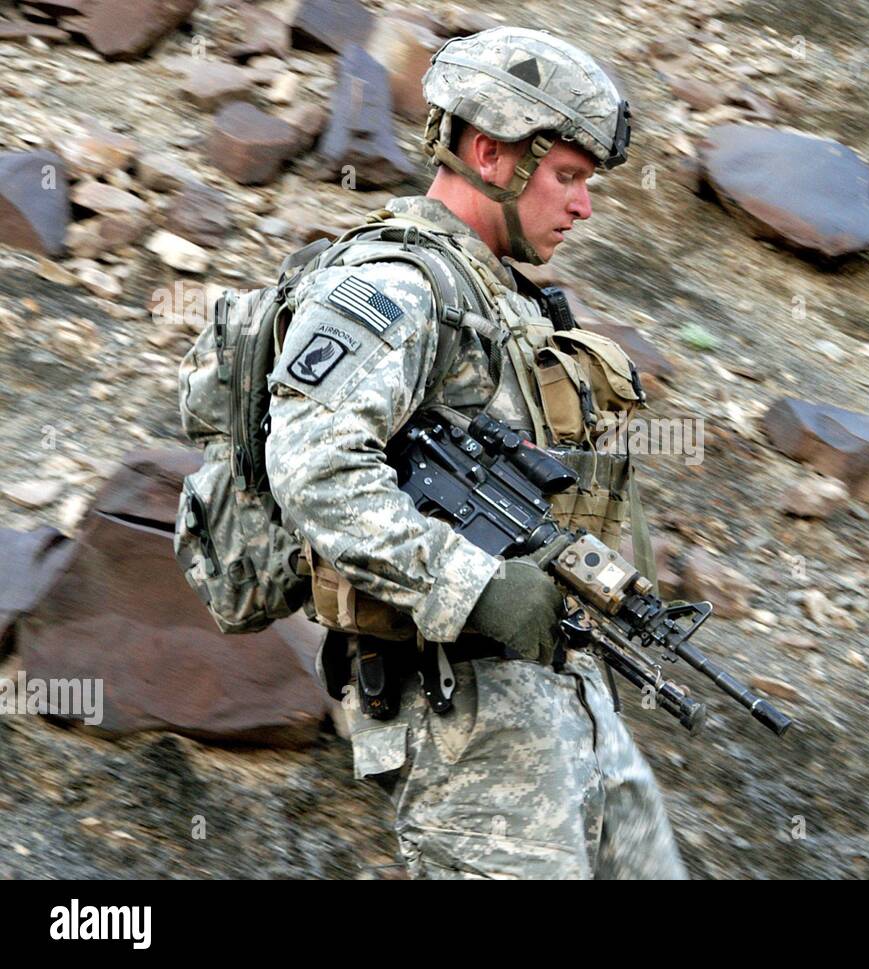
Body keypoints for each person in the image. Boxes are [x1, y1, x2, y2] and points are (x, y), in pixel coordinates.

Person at [263, 26, 688, 880]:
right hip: (467, 729)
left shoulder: (504, 301)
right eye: (568, 177)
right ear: (491, 154)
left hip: (565, 703)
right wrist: (477, 586)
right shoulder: (391, 288)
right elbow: (312, 465)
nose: (584, 207)